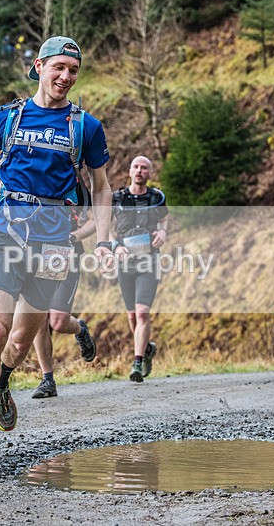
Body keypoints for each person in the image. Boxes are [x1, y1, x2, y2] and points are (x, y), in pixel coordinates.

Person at [0, 35, 113, 464]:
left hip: (56, 241)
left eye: (73, 70)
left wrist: (104, 241)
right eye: (58, 67)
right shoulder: (9, 117)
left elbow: (101, 187)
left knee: (22, 339)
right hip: (4, 232)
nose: (65, 76)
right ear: (39, 66)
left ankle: (3, 378)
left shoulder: (85, 127)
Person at [110, 156, 168, 383]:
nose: (140, 170)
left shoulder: (157, 197)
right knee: (132, 315)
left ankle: (136, 362)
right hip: (125, 262)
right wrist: (115, 247)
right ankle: (146, 349)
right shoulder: (117, 198)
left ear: (150, 173)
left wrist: (163, 232)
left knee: (142, 312)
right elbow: (106, 228)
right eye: (136, 167)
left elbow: (164, 219)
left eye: (145, 168)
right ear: (129, 170)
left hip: (149, 262)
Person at [31, 209, 97, 399]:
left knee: (58, 322)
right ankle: (47, 379)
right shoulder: (35, 181)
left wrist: (74, 236)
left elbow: (95, 220)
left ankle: (80, 329)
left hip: (65, 254)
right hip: (36, 255)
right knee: (38, 319)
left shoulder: (77, 185)